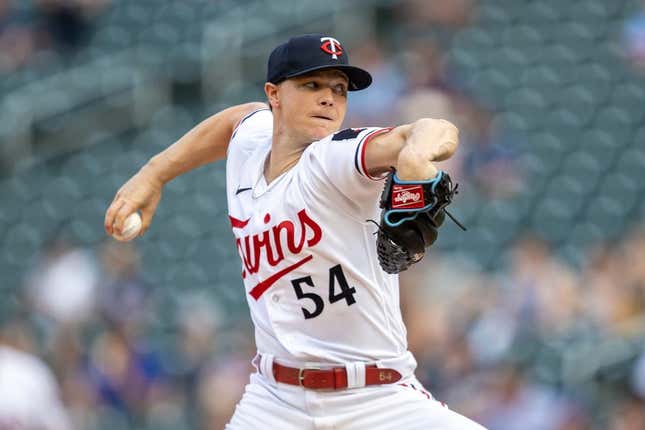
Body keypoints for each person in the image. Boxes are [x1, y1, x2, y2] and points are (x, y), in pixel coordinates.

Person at [105, 33, 485, 429]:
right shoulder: (251, 145)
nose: (329, 99)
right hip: (275, 400)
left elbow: (429, 129)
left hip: (376, 398)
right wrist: (155, 173)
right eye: (312, 85)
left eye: (339, 90)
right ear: (275, 94)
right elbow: (234, 121)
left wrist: (414, 154)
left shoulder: (334, 157)